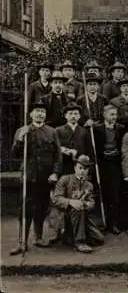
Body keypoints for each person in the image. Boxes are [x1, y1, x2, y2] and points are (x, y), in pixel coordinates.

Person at [10, 101, 62, 255]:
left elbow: (58, 155)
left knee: (41, 208)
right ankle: (22, 242)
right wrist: (20, 139)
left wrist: (55, 173)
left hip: (45, 177)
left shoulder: (52, 132)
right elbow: (14, 155)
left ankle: (38, 238)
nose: (40, 114)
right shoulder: (23, 130)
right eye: (37, 111)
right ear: (31, 114)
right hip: (29, 176)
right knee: (25, 210)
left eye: (43, 111)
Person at [52, 155, 105, 253]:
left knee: (99, 239)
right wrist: (71, 202)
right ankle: (80, 242)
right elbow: (56, 198)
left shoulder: (89, 185)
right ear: (75, 168)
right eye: (80, 168)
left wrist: (86, 204)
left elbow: (92, 202)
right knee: (77, 207)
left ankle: (71, 236)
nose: (82, 171)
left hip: (82, 218)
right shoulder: (65, 179)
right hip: (65, 216)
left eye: (85, 169)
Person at [93, 105, 126, 234]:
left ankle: (114, 223)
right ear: (104, 115)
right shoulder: (96, 129)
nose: (114, 117)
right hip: (101, 164)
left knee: (115, 194)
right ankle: (103, 222)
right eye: (111, 114)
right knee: (102, 193)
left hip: (115, 164)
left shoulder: (120, 128)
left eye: (115, 114)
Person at [56, 103, 91, 176]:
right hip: (64, 166)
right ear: (65, 115)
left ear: (79, 116)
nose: (73, 116)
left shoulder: (84, 131)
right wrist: (64, 150)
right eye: (70, 113)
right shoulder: (58, 130)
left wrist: (78, 154)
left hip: (80, 167)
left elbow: (88, 150)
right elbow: (55, 147)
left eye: (76, 114)